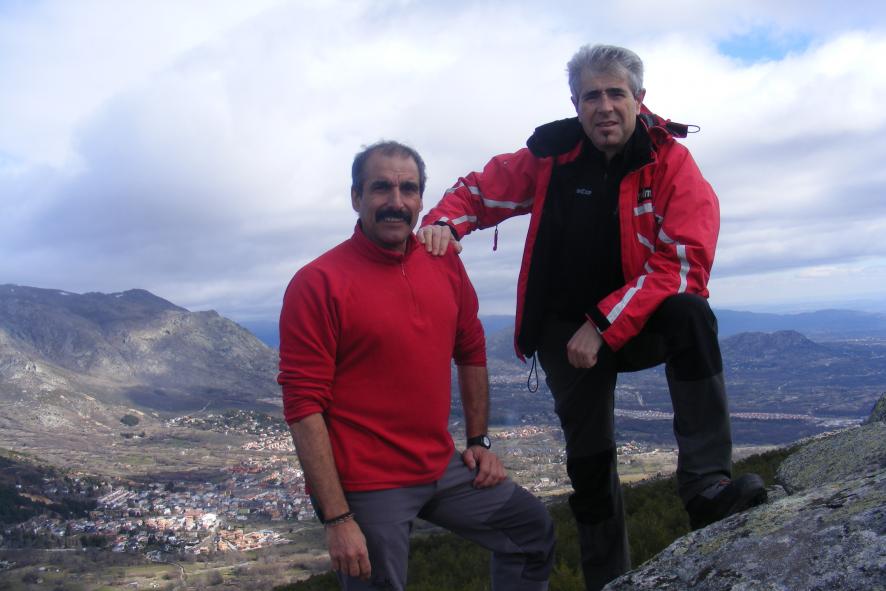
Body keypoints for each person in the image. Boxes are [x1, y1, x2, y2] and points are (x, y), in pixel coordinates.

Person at [417, 45, 766, 590]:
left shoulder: (669, 162)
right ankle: (610, 579)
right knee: (590, 462)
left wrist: (603, 325)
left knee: (691, 315)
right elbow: (480, 190)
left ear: (639, 99)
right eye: (590, 96)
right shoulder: (552, 156)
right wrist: (445, 223)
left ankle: (706, 487)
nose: (604, 107)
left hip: (636, 324)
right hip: (563, 330)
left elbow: (683, 265)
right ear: (576, 104)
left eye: (615, 93)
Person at [278, 140, 555, 591]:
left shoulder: (443, 264)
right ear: (356, 197)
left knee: (530, 532)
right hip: (367, 483)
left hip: (439, 465)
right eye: (381, 188)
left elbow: (471, 350)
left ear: (422, 201)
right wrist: (337, 518)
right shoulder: (318, 283)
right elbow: (303, 405)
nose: (396, 201)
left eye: (408, 189)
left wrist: (479, 440)